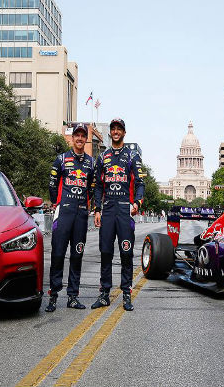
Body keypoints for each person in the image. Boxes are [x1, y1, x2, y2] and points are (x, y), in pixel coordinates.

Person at [91, 118, 144, 312]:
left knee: (126, 252)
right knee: (105, 252)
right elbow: (97, 186)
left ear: (124, 132)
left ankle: (126, 293)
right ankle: (104, 292)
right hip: (108, 209)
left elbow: (140, 183)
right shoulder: (102, 157)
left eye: (118, 129)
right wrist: (97, 209)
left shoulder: (132, 156)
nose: (115, 131)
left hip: (124, 209)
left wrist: (137, 202)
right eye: (113, 129)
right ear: (110, 133)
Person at [45, 123, 95, 312]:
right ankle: (53, 295)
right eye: (77, 135)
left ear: (85, 139)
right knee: (58, 254)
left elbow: (92, 187)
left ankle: (73, 296)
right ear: (72, 138)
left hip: (81, 214)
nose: (80, 139)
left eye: (83, 136)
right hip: (63, 212)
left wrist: (85, 203)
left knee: (77, 255)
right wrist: (57, 203)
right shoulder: (61, 159)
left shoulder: (91, 162)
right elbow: (52, 184)